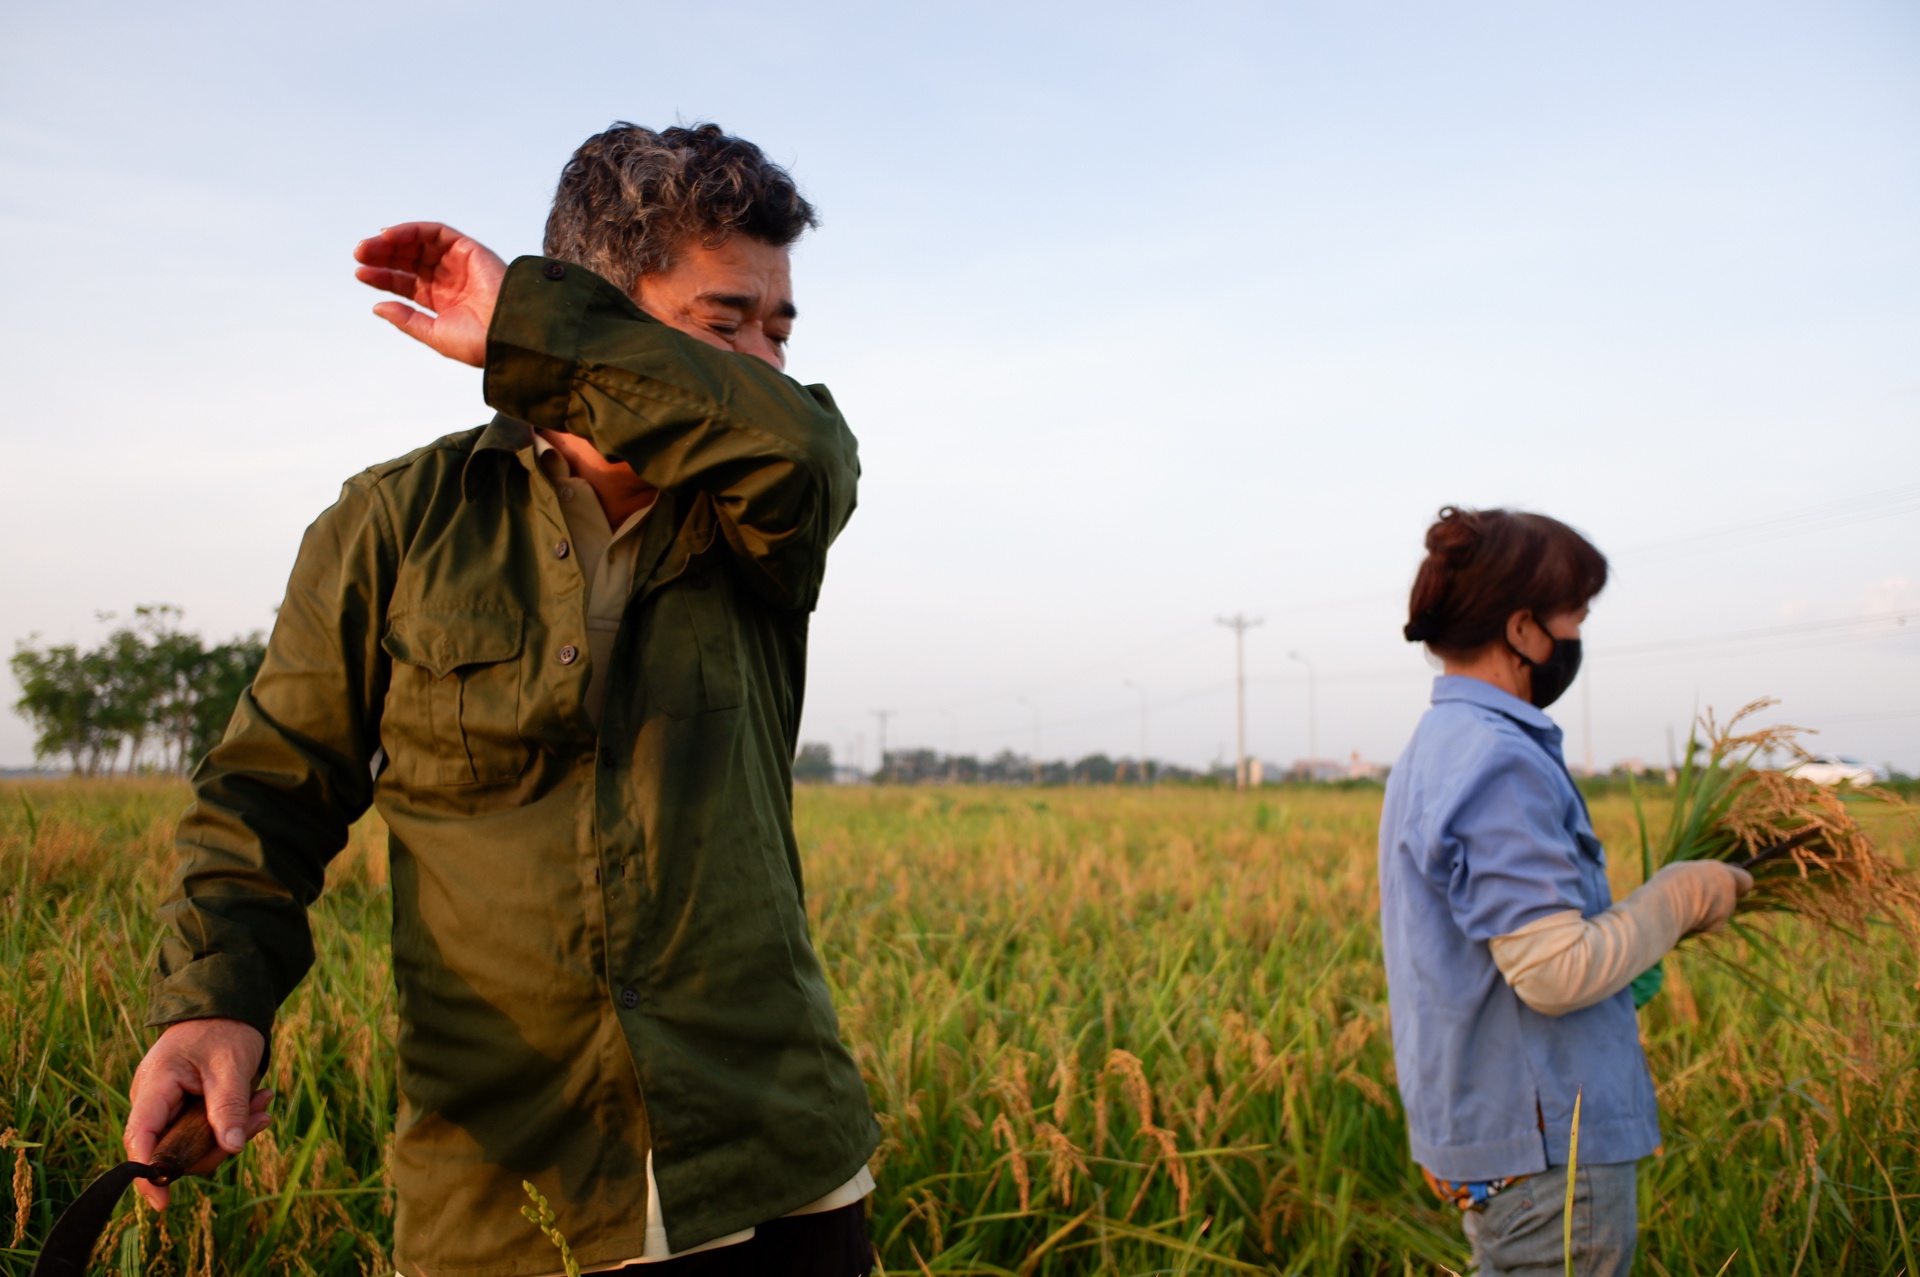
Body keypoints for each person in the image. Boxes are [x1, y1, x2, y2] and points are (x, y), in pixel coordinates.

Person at [122, 122, 881, 1277]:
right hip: (512, 1192)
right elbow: (264, 793)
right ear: (603, 308)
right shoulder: (397, 525)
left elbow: (805, 449)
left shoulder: (759, 516)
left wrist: (533, 333)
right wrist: (212, 1001)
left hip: (772, 1166)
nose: (762, 361)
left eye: (777, 327)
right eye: (723, 325)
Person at [1377, 507, 1753, 1277]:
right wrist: (1678, 897)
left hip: (1509, 1138)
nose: (1579, 638)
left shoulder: (1440, 747)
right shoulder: (1498, 760)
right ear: (1522, 631)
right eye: (1574, 618)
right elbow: (1552, 971)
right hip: (1550, 1160)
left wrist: (1629, 956)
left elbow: (1489, 958)